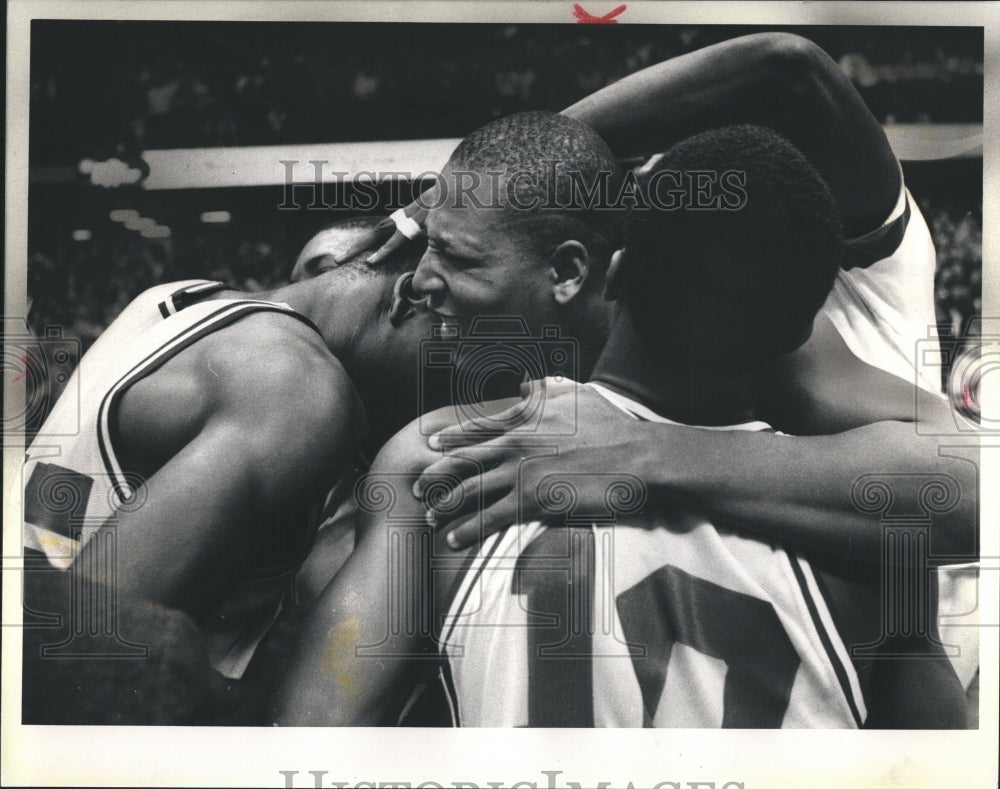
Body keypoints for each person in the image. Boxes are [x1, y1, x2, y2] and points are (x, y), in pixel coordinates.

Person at [272, 125, 966, 727]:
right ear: (797, 330)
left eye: (456, 257)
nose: (422, 281)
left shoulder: (441, 460)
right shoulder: (869, 535)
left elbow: (314, 739)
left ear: (608, 273)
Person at [21, 229, 438, 715]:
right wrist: (275, 678)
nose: (453, 395)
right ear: (410, 297)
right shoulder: (298, 389)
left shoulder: (179, 298)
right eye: (463, 356)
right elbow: (86, 652)